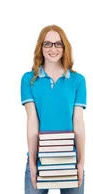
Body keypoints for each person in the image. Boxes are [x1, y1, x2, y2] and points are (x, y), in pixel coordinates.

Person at [21, 24, 86, 194]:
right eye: (47, 44)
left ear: (65, 47)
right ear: (40, 47)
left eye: (58, 44)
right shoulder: (29, 79)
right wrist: (33, 163)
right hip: (39, 157)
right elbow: (32, 123)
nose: (53, 49)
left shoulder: (78, 80)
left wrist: (81, 162)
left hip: (70, 157)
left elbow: (78, 122)